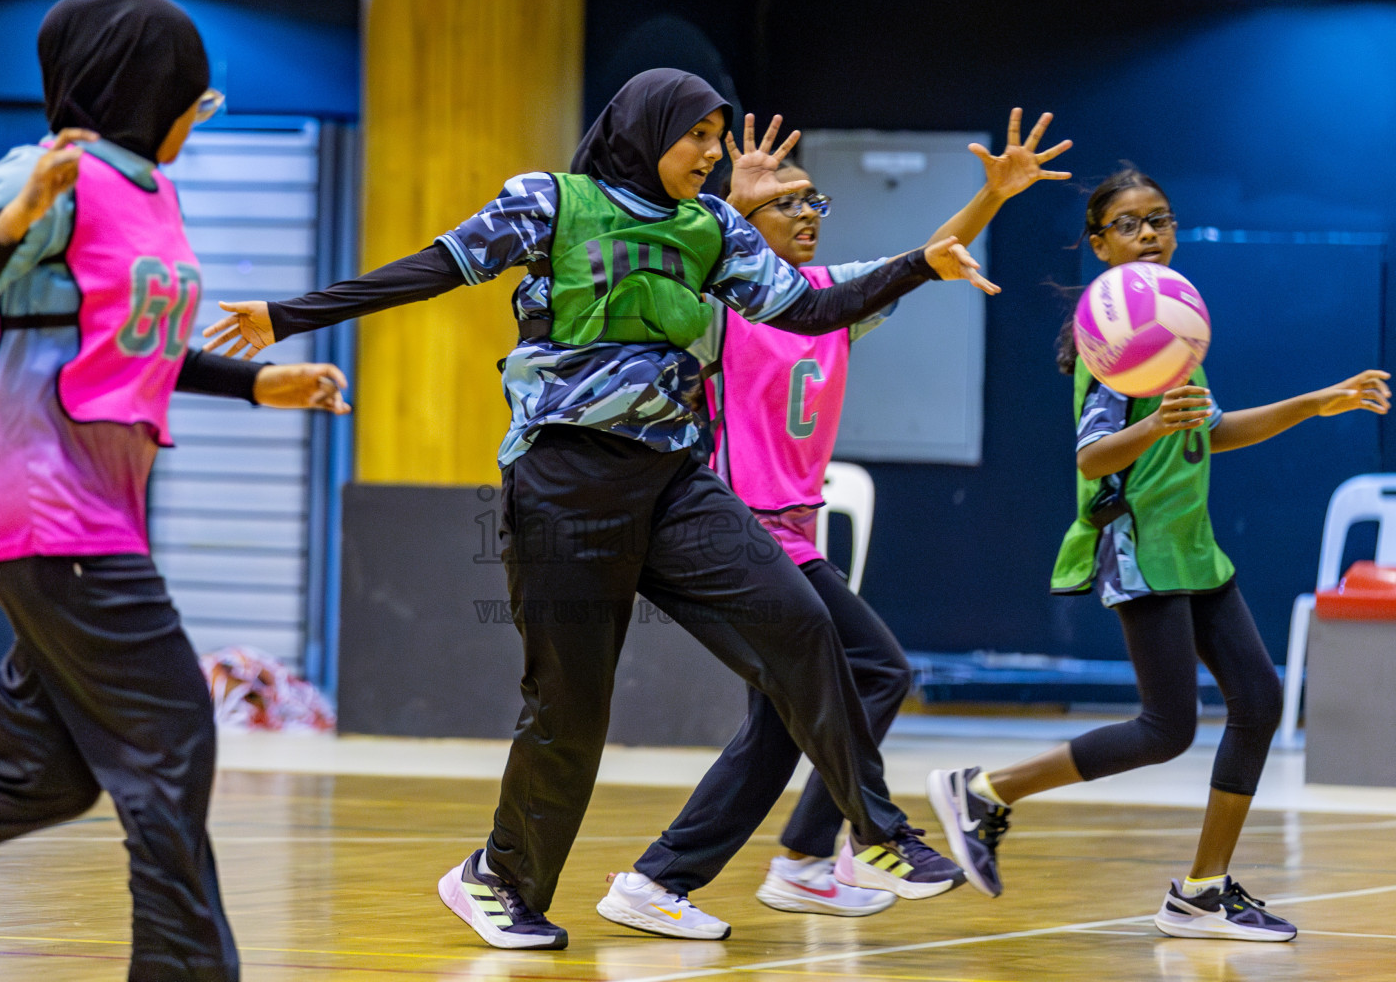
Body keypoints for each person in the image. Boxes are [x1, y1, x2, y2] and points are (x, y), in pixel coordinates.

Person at [203, 68, 997, 951]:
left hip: (675, 480)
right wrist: (288, 314)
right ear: (646, 128)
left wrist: (921, 265)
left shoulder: (714, 227)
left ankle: (878, 834)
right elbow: (436, 268)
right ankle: (497, 879)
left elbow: (810, 309)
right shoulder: (551, 203)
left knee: (803, 627)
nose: (712, 151)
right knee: (571, 709)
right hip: (565, 484)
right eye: (695, 132)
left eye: (718, 134)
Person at [0, 0, 349, 982]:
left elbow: (133, 343)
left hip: (91, 511)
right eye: (190, 94)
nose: (197, 111)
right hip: (45, 504)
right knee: (172, 735)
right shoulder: (48, 175)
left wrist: (257, 381)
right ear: (144, 87)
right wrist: (14, 221)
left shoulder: (151, 190)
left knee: (36, 774)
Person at [594, 109, 1072, 940]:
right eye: (791, 203)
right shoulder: (715, 309)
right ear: (750, 225)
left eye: (817, 202)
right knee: (876, 670)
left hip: (791, 539)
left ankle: (728, 872)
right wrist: (734, 207)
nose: (810, 214)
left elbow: (921, 261)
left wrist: (991, 197)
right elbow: (683, 255)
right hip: (734, 534)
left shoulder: (829, 300)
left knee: (787, 716)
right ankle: (813, 855)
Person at [928, 165, 1390, 942]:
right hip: (1139, 543)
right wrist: (1153, 427)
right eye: (1132, 223)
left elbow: (1210, 431)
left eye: (1162, 220)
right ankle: (984, 789)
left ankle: (1204, 891)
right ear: (1100, 242)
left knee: (1260, 700)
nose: (1151, 234)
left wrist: (1315, 403)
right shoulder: (1109, 334)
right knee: (1166, 727)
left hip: (1192, 545)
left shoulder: (1175, 327)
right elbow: (1093, 457)